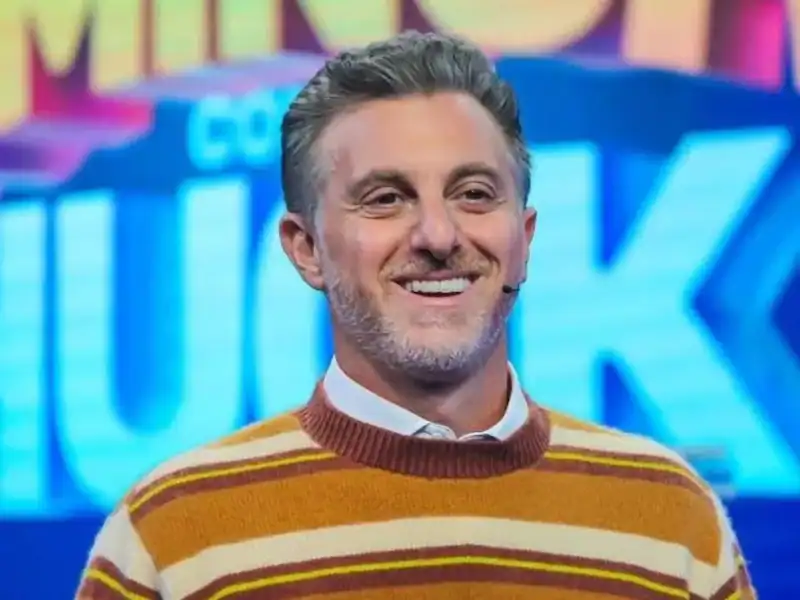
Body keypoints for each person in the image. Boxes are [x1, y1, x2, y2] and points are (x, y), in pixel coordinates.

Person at [75, 31, 757, 600]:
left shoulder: (671, 519)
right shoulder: (171, 534)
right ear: (305, 249)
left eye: (474, 193)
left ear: (524, 239)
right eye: (385, 199)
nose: (438, 235)